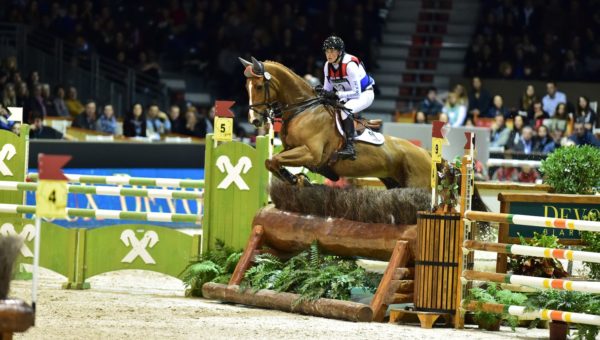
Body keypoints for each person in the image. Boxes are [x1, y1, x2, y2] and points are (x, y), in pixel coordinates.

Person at [320, 35, 375, 160]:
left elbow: (356, 93)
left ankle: (350, 147)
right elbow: (327, 90)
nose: (329, 54)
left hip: (365, 93)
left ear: (340, 52)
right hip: (347, 95)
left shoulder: (349, 65)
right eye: (327, 51)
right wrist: (321, 93)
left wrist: (336, 95)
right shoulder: (327, 66)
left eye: (332, 51)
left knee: (346, 109)